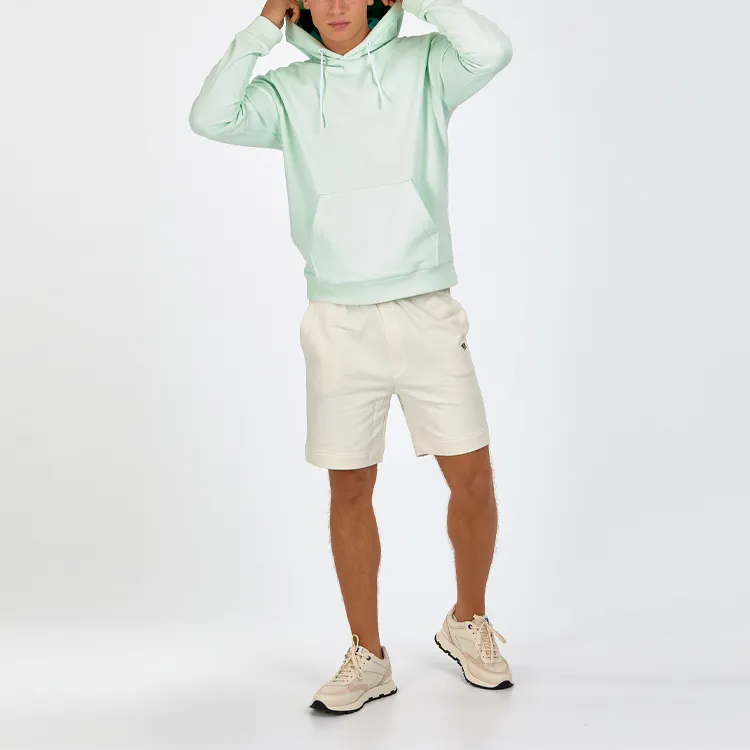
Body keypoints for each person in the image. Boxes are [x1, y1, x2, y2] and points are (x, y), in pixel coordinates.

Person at [189, 0, 514, 714]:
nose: (336, 6)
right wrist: (262, 28)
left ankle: (468, 621)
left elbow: (492, 50)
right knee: (349, 490)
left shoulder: (426, 66)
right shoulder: (286, 92)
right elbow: (209, 117)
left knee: (473, 479)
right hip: (338, 321)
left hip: (426, 308)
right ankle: (368, 655)